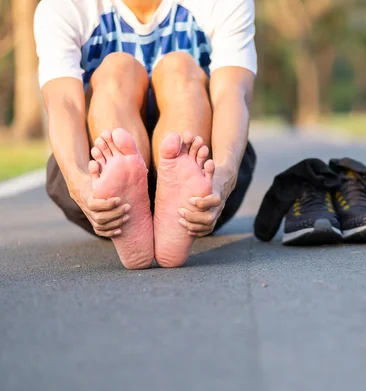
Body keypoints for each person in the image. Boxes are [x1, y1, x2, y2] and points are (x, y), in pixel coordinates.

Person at [33, 0, 257, 269]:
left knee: (179, 68)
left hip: (207, 181)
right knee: (116, 69)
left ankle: (179, 197)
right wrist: (82, 184)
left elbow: (231, 94)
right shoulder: (64, 7)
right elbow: (63, 103)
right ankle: (120, 179)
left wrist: (222, 178)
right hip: (97, 186)